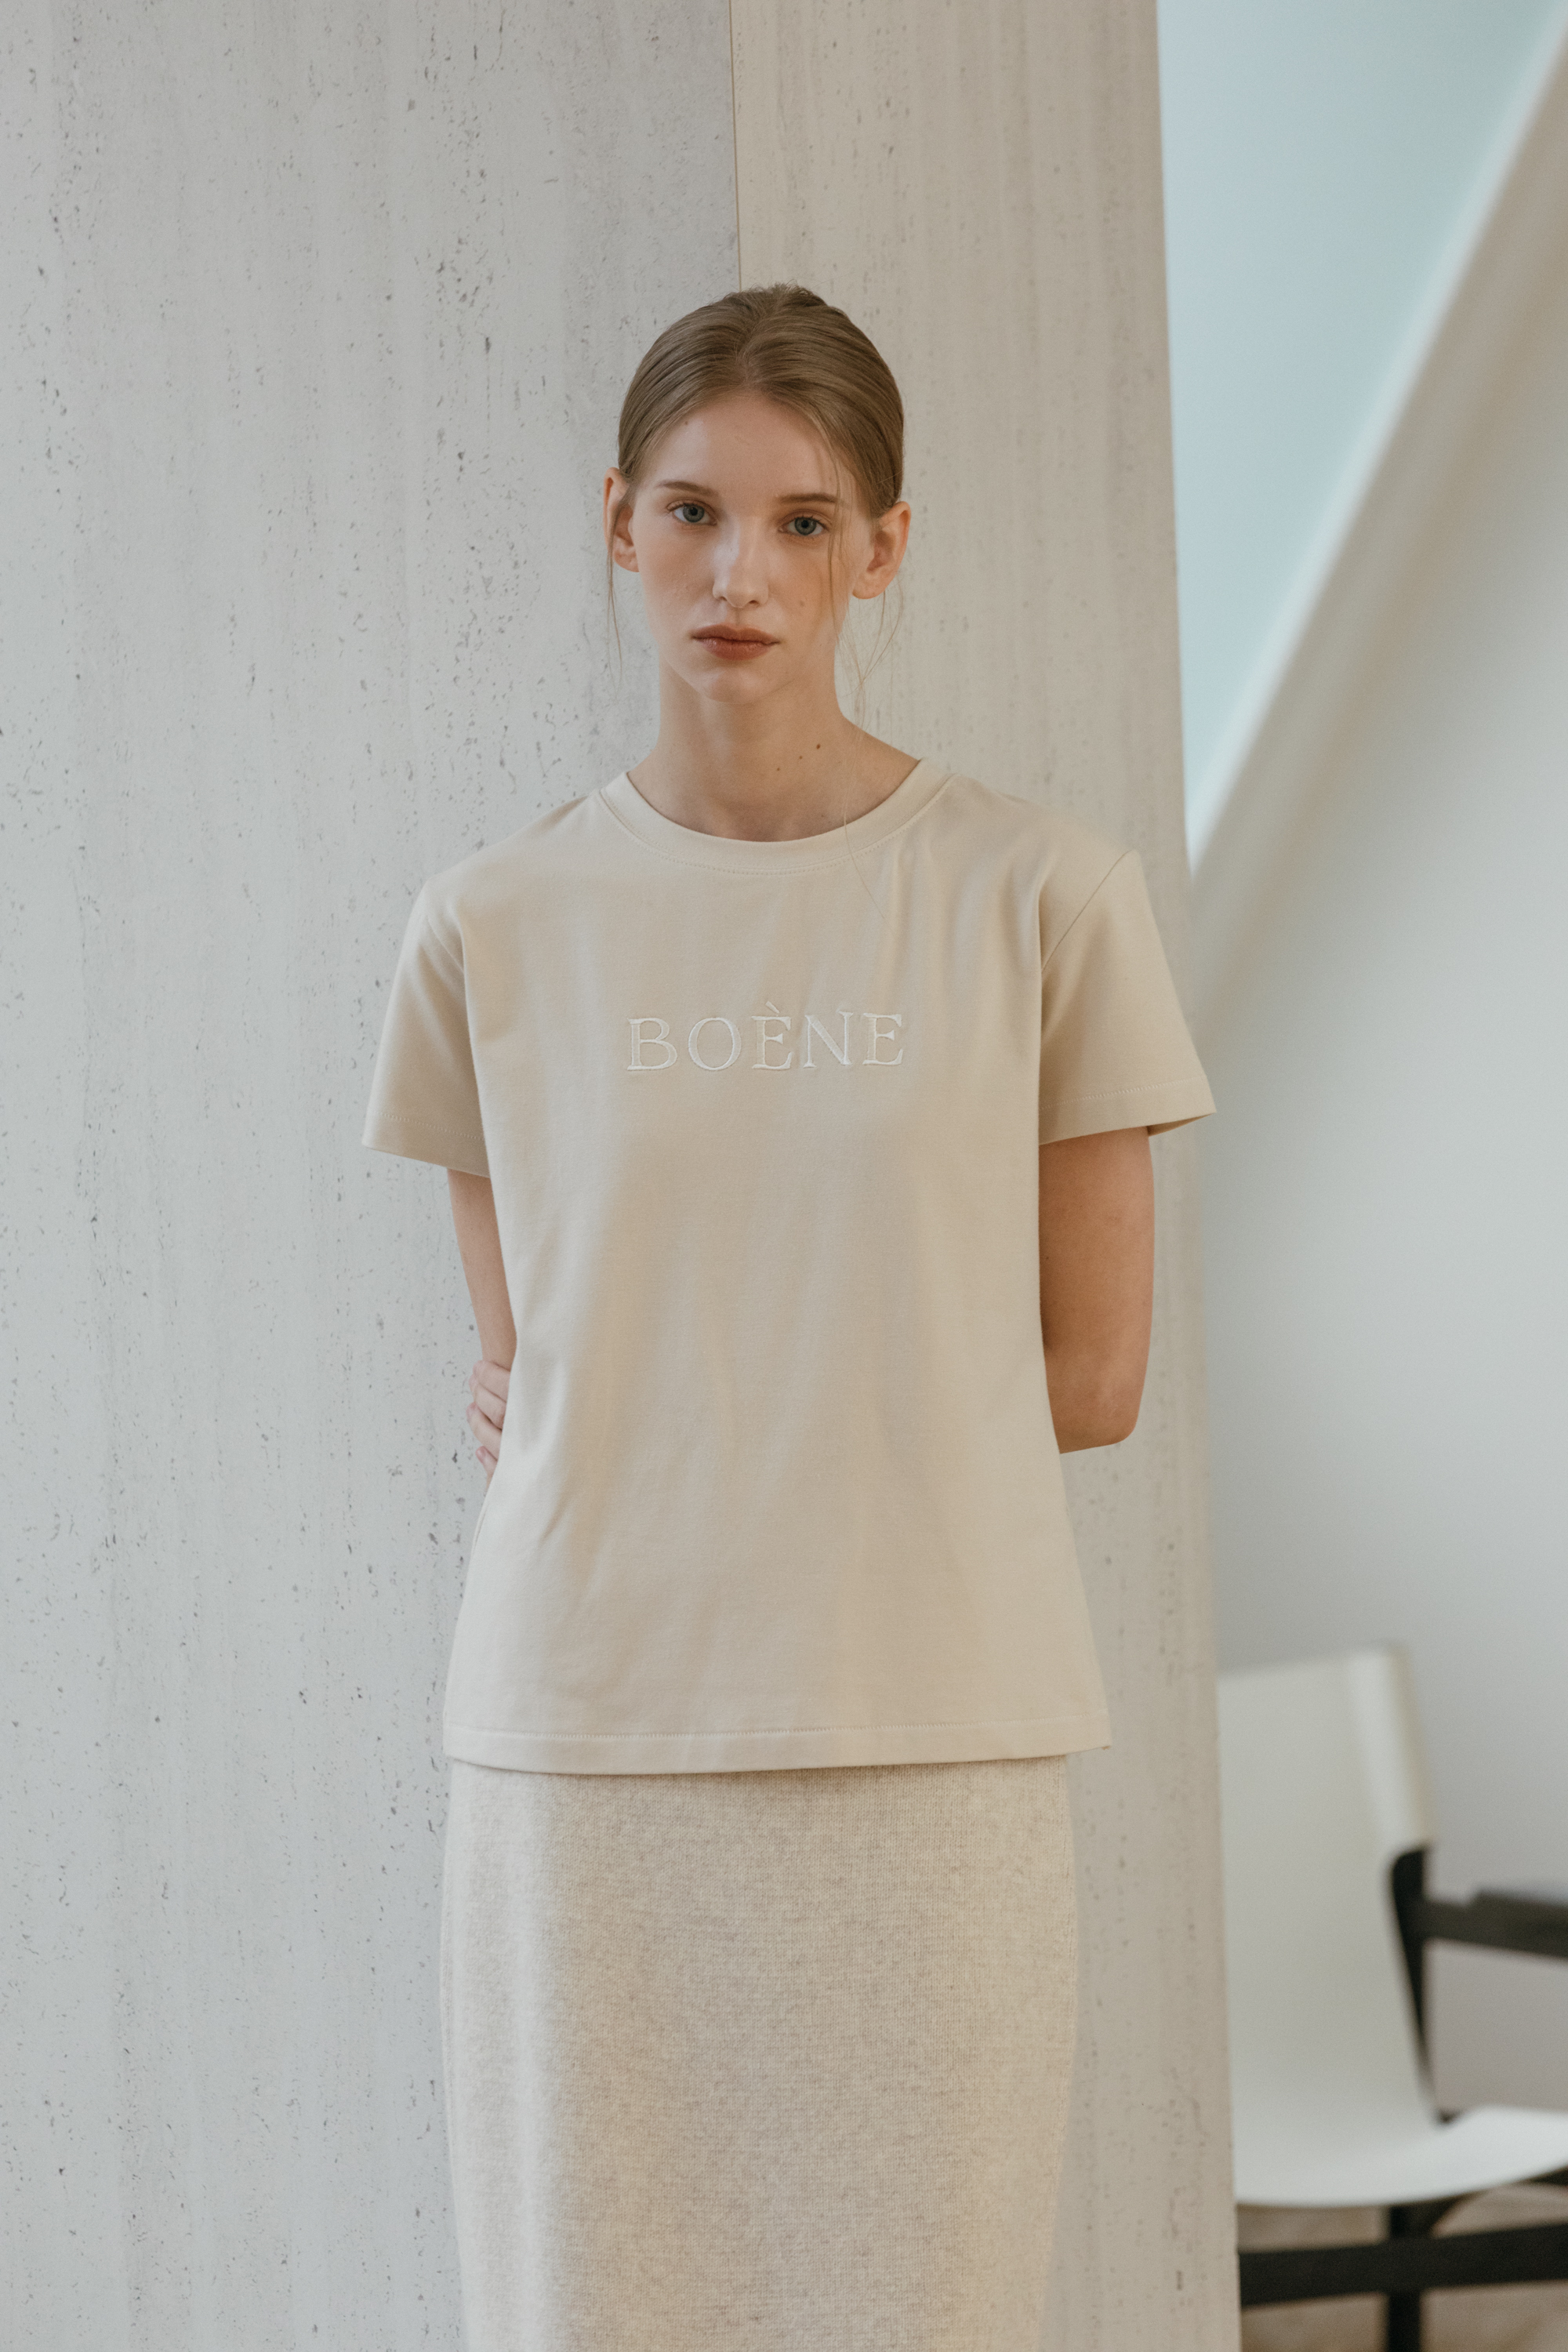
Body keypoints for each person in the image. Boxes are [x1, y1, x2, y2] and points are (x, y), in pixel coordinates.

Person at [361, 282, 1214, 2352]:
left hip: (929, 1737)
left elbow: (1096, 1376)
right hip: (587, 1747)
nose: (739, 573)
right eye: (692, 512)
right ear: (617, 522)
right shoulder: (492, 924)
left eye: (804, 522)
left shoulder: (1046, 896)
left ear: (883, 549)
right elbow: (541, 1377)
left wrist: (707, 1409)